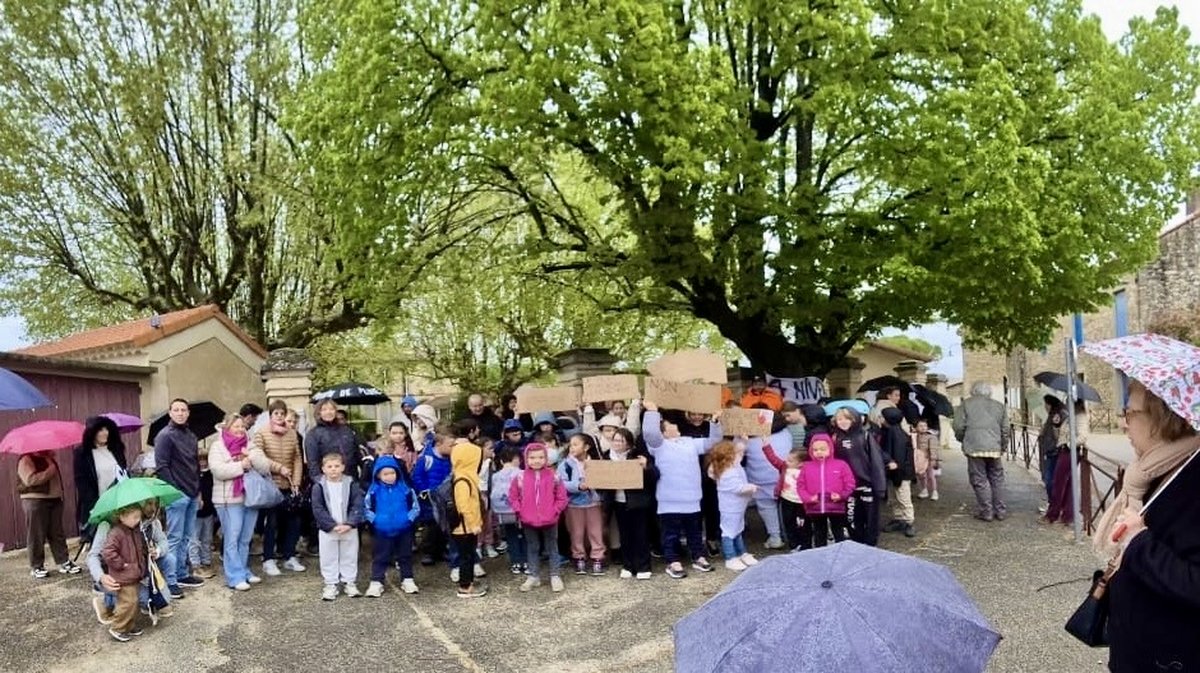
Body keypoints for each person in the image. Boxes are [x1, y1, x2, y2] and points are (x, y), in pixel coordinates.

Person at [1101, 379, 1200, 671]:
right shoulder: (1156, 469)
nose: (1123, 423)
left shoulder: (1193, 478)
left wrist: (1137, 541)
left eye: (1130, 413)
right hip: (1140, 650)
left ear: (1163, 417)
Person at [642, 401, 722, 579]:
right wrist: (653, 412)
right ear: (663, 431)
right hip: (669, 498)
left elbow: (713, 442)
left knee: (695, 531)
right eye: (668, 424)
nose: (674, 425)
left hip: (692, 497)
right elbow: (649, 433)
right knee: (670, 534)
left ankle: (698, 557)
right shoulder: (658, 445)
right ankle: (673, 561)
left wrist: (715, 422)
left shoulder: (690, 442)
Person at [209, 414, 275, 591]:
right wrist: (240, 466)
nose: (240, 430)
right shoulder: (218, 446)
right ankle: (234, 576)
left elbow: (264, 466)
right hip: (228, 499)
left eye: (242, 427)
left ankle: (244, 570)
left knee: (245, 538)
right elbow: (218, 470)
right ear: (227, 427)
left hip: (250, 498)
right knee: (232, 538)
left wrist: (250, 456)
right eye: (235, 426)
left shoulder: (250, 444)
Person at [154, 398, 205, 589]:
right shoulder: (165, 436)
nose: (180, 413)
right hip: (177, 494)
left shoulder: (191, 436)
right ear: (170, 413)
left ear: (188, 413)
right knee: (174, 538)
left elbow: (194, 466)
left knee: (187, 537)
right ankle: (170, 579)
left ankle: (182, 574)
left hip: (192, 493)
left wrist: (198, 491)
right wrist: (175, 490)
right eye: (176, 410)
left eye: (184, 410)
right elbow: (162, 467)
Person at [253, 400, 306, 577]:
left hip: (290, 484)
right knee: (272, 523)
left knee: (293, 521)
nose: (280, 416)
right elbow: (258, 457)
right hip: (270, 484)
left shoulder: (292, 434)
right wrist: (278, 467)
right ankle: (268, 558)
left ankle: (289, 556)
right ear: (271, 415)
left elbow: (297, 458)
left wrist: (296, 482)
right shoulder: (261, 433)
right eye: (276, 413)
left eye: (282, 413)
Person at [510, 442, 568, 593]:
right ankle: (534, 576)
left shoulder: (554, 476)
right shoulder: (520, 477)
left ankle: (555, 575)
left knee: (552, 547)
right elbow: (513, 496)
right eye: (532, 457)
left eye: (541, 457)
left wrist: (555, 510)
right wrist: (520, 511)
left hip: (550, 519)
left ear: (546, 458)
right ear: (526, 458)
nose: (537, 460)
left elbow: (562, 497)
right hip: (528, 520)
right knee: (533, 547)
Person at [598, 428, 656, 580]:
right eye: (615, 440)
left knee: (640, 534)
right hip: (617, 501)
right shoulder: (606, 456)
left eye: (621, 441)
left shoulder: (637, 456)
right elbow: (600, 481)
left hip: (637, 501)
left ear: (628, 443)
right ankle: (628, 565)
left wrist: (646, 467)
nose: (617, 443)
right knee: (625, 534)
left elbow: (654, 476)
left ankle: (643, 566)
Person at [311, 452, 365, 601]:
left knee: (350, 555)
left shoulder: (351, 484)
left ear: (343, 467)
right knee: (329, 556)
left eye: (336, 466)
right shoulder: (319, 487)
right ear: (323, 469)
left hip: (348, 528)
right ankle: (330, 584)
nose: (333, 469)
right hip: (329, 530)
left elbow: (357, 504)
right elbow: (318, 508)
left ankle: (349, 582)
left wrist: (350, 523)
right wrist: (331, 525)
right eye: (329, 466)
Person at [365, 455, 421, 597]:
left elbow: (415, 507)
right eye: (385, 474)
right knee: (380, 556)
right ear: (378, 475)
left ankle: (407, 578)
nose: (390, 476)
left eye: (392, 473)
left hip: (404, 529)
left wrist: (408, 519)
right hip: (382, 530)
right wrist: (375, 520)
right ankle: (376, 581)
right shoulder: (373, 491)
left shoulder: (406, 489)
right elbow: (366, 508)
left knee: (405, 555)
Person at [17, 449, 79, 578]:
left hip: (54, 499)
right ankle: (36, 566)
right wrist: (49, 471)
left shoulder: (48, 458)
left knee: (57, 533)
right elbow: (30, 480)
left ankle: (63, 561)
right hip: (35, 500)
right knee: (36, 534)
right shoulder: (26, 460)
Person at [953, 382, 1009, 522]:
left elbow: (958, 426)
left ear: (973, 391)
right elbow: (1006, 429)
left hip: (974, 447)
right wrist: (1003, 446)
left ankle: (986, 511)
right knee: (997, 479)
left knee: (979, 480)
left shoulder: (966, 404)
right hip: (994, 448)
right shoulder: (999, 406)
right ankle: (1000, 511)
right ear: (989, 392)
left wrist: (963, 439)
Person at [831, 408, 887, 547]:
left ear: (855, 420)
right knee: (852, 518)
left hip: (867, 484)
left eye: (847, 418)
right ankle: (857, 544)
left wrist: (880, 487)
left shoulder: (865, 436)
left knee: (871, 518)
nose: (843, 422)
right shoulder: (835, 438)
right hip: (848, 487)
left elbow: (876, 461)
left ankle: (871, 545)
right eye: (839, 419)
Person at [448, 420, 488, 598]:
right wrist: (473, 524)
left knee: (468, 555)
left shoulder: (462, 475)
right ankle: (465, 587)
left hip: (465, 526)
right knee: (466, 556)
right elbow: (463, 505)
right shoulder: (463, 480)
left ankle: (468, 581)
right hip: (465, 526)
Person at [743, 412, 793, 549]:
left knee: (767, 507)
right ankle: (789, 535)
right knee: (786, 507)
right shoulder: (785, 433)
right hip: (784, 475)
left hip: (760, 479)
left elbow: (738, 450)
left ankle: (775, 537)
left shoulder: (747, 439)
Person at [707, 439, 759, 571]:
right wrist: (751, 487)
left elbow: (740, 447)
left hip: (738, 507)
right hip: (731, 508)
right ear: (729, 457)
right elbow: (737, 488)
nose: (741, 455)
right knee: (729, 532)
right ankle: (730, 557)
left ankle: (741, 553)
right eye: (737, 454)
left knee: (737, 530)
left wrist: (741, 439)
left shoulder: (734, 466)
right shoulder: (728, 472)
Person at [797, 433, 857, 547]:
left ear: (830, 448)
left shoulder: (841, 465)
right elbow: (800, 486)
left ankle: (841, 555)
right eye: (815, 449)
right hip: (815, 507)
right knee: (819, 534)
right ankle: (822, 556)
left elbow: (850, 483)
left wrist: (841, 495)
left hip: (836, 506)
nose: (819, 452)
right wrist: (808, 498)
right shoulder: (806, 466)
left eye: (823, 449)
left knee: (838, 533)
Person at [559, 433, 606, 576]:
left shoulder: (596, 462)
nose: (572, 448)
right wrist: (578, 486)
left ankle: (598, 557)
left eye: (576, 444)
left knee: (596, 531)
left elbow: (605, 480)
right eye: (571, 444)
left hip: (594, 502)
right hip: (574, 504)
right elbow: (561, 483)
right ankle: (579, 556)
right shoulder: (565, 464)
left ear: (586, 447)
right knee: (576, 532)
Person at [100, 504, 148, 642]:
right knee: (128, 602)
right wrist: (121, 564)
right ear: (122, 517)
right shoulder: (116, 532)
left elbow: (138, 549)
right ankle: (118, 627)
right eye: (135, 517)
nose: (138, 520)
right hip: (123, 575)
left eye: (139, 517)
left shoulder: (134, 531)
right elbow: (108, 552)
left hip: (133, 574)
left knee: (134, 602)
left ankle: (129, 625)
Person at [74, 416, 128, 537]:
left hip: (119, 503)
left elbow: (124, 471)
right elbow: (81, 481)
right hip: (97, 505)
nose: (105, 433)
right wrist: (95, 505)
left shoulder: (116, 449)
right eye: (100, 430)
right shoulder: (82, 453)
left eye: (106, 429)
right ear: (92, 433)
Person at [1042, 399, 1089, 527]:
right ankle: (1068, 515)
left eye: (1069, 401)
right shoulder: (1070, 416)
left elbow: (1083, 436)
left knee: (1058, 484)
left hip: (1069, 452)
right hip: (1064, 451)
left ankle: (1053, 515)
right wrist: (1057, 426)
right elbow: (1061, 434)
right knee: (1068, 486)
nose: (1066, 403)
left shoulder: (1080, 417)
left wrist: (1069, 445)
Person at [413, 423, 453, 566]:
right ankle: (429, 552)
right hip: (430, 499)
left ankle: (441, 550)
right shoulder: (426, 458)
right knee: (431, 527)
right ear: (439, 443)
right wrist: (423, 490)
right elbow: (417, 476)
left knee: (444, 526)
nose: (452, 448)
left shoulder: (450, 459)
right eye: (450, 445)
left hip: (445, 498)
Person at [761, 442, 806, 550]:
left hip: (802, 503)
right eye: (787, 459)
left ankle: (804, 545)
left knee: (802, 525)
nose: (787, 461)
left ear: (801, 463)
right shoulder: (784, 467)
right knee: (788, 524)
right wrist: (766, 446)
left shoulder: (806, 471)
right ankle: (793, 546)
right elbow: (774, 459)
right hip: (786, 500)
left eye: (790, 460)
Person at [880, 406, 917, 537]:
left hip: (901, 472)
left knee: (903, 497)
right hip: (895, 471)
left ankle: (908, 521)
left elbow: (900, 456)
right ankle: (898, 518)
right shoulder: (891, 431)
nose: (881, 419)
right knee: (894, 497)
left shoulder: (897, 434)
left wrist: (895, 468)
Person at [490, 446, 526, 574]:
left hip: (502, 511)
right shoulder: (521, 473)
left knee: (511, 536)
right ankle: (525, 561)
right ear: (517, 459)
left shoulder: (495, 476)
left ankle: (515, 562)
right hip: (520, 510)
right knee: (524, 535)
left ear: (501, 461)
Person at [304, 400, 360, 482]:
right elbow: (313, 462)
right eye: (324, 409)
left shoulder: (346, 430)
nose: (328, 412)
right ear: (319, 413)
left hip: (350, 477)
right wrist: (320, 481)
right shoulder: (313, 435)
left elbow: (356, 453)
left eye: (331, 409)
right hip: (328, 480)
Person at [1037, 395, 1066, 507]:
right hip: (1051, 451)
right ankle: (1054, 504)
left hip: (1053, 451)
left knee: (1050, 479)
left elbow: (1056, 434)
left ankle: (1053, 504)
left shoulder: (1056, 415)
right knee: (1051, 478)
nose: (1044, 406)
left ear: (1049, 404)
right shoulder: (1052, 415)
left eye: (1045, 404)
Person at [913, 419, 940, 500]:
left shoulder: (931, 436)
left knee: (930, 475)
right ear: (916, 427)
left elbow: (933, 448)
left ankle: (934, 491)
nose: (923, 428)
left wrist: (933, 459)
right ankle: (924, 489)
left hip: (927, 457)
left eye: (925, 426)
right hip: (919, 458)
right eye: (920, 426)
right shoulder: (915, 435)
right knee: (921, 475)